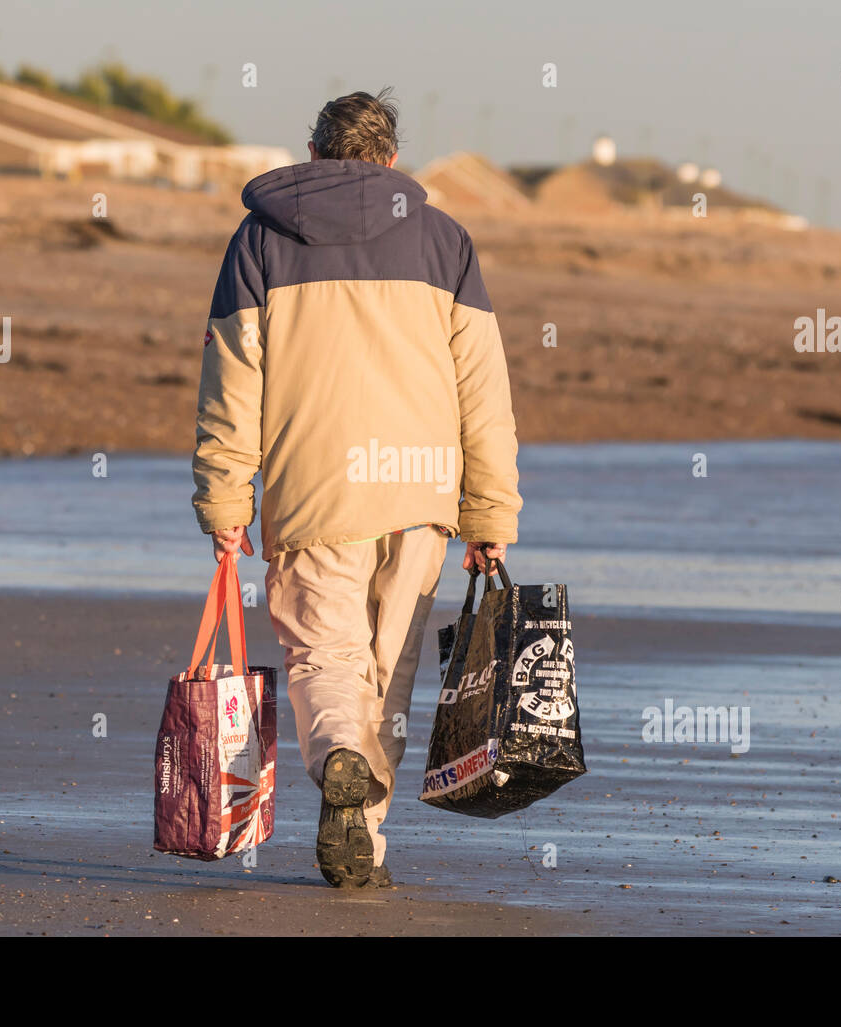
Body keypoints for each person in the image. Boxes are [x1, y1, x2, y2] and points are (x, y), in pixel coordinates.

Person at [191, 89, 521, 888]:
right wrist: (490, 509)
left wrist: (227, 500)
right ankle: (365, 838)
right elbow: (483, 389)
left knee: (323, 653)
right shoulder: (447, 241)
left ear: (314, 155)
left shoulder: (259, 239)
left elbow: (232, 382)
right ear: (392, 160)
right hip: (419, 490)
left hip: (316, 486)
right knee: (392, 667)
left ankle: (340, 753)